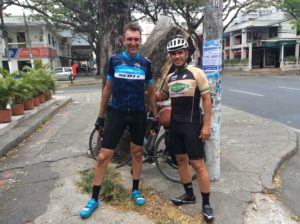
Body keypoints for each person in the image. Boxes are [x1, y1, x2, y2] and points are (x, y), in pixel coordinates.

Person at [79, 22, 158, 219]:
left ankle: (135, 190)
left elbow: (151, 93)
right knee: (104, 156)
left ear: (140, 41)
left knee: (137, 153)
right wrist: (100, 116)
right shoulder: (114, 60)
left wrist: (155, 117)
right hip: (117, 113)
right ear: (124, 40)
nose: (133, 42)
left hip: (139, 113)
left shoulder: (146, 64)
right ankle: (94, 198)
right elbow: (107, 90)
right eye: (129, 39)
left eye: (136, 39)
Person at [155, 35, 214, 223]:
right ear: (170, 56)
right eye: (173, 54)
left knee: (198, 164)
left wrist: (206, 125)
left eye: (180, 52)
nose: (177, 56)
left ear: (186, 53)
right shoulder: (170, 78)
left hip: (192, 126)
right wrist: (145, 87)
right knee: (181, 161)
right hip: (175, 127)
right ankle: (189, 195)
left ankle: (206, 204)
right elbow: (159, 95)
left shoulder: (197, 73)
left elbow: (207, 100)